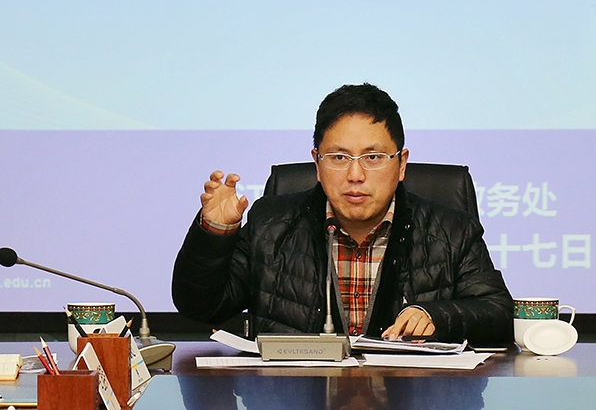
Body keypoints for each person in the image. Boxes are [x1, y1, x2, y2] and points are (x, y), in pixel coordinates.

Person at [172, 83, 513, 343]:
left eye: (373, 157)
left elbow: (498, 314)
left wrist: (435, 315)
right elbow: (201, 307)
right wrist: (214, 233)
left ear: (401, 164)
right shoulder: (270, 225)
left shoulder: (451, 231)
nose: (355, 175)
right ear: (317, 163)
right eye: (338, 157)